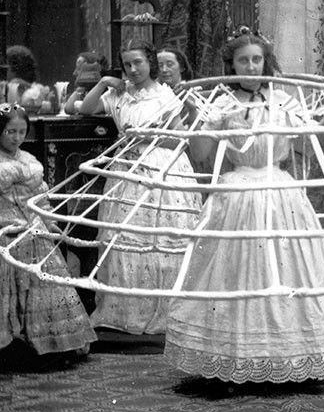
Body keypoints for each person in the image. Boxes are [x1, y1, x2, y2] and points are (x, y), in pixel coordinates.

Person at [163, 28, 324, 383]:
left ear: (265, 63)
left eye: (257, 59)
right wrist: (195, 112)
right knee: (234, 273)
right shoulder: (223, 103)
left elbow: (309, 142)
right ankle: (233, 356)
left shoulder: (283, 101)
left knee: (288, 269)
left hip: (280, 193)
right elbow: (201, 154)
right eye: (243, 60)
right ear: (232, 66)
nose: (251, 66)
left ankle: (292, 353)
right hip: (237, 194)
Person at [77, 40, 202, 334]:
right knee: (125, 236)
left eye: (138, 63)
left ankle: (164, 310)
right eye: (127, 65)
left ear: (150, 63)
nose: (133, 70)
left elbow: (179, 140)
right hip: (126, 172)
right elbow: (86, 108)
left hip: (162, 169)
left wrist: (145, 137)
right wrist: (104, 83)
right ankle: (125, 311)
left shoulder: (166, 95)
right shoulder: (120, 95)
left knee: (160, 238)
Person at [0, 103, 96, 364]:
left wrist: (48, 220)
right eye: (10, 132)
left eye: (21, 132)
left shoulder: (29, 160)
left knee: (48, 278)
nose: (16, 138)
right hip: (6, 231)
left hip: (33, 229)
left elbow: (41, 198)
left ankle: (51, 344)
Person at [2, 46, 52, 113]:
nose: (3, 71)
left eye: (6, 67)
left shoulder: (37, 91)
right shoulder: (38, 89)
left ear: (14, 69)